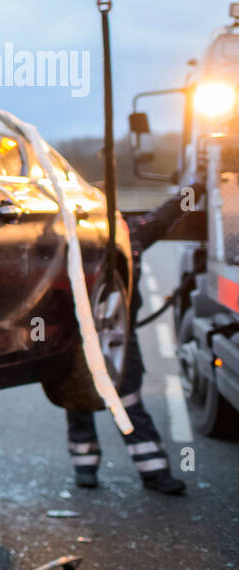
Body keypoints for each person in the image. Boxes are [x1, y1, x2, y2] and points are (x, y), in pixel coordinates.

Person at [66, 165, 205, 495]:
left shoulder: (131, 233)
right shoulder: (72, 239)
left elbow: (170, 211)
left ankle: (153, 472)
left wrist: (200, 187)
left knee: (127, 397)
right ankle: (85, 468)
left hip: (118, 335)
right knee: (79, 397)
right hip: (78, 335)